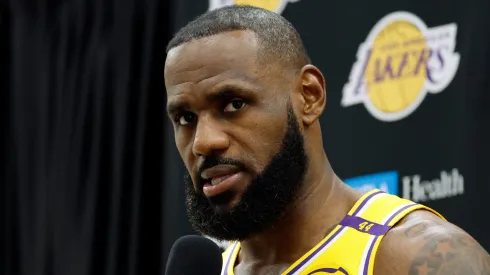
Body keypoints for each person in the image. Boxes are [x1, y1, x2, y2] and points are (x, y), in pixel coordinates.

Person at [163, 5, 490, 275]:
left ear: (309, 96)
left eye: (234, 105)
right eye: (185, 118)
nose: (203, 143)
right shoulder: (211, 268)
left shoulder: (418, 257)